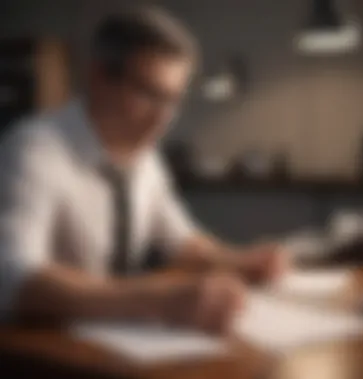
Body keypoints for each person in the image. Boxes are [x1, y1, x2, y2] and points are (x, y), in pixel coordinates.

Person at [0, 7, 287, 333]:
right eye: (149, 94)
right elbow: (11, 276)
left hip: (108, 346)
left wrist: (242, 262)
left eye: (173, 101)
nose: (162, 119)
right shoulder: (33, 149)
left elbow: (180, 241)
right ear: (99, 78)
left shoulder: (144, 156)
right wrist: (157, 299)